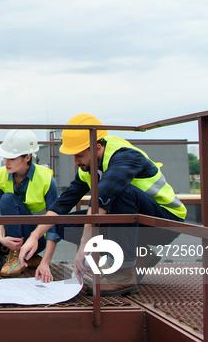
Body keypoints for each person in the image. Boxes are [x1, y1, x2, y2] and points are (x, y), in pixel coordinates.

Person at [19, 114, 186, 296]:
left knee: (119, 192)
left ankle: (123, 274)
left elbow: (102, 199)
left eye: (79, 155)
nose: (75, 162)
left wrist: (85, 247)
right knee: (62, 224)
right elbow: (63, 204)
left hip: (164, 222)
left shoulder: (125, 156)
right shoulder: (87, 167)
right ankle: (140, 254)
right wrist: (35, 236)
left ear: (97, 147)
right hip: (136, 221)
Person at [0, 130, 60, 282]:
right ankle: (20, 260)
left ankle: (17, 256)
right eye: (4, 156)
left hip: (35, 237)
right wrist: (2, 238)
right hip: (7, 233)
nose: (6, 162)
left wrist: (46, 262)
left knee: (7, 199)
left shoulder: (46, 179)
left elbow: (54, 222)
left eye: (11, 158)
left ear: (27, 157)